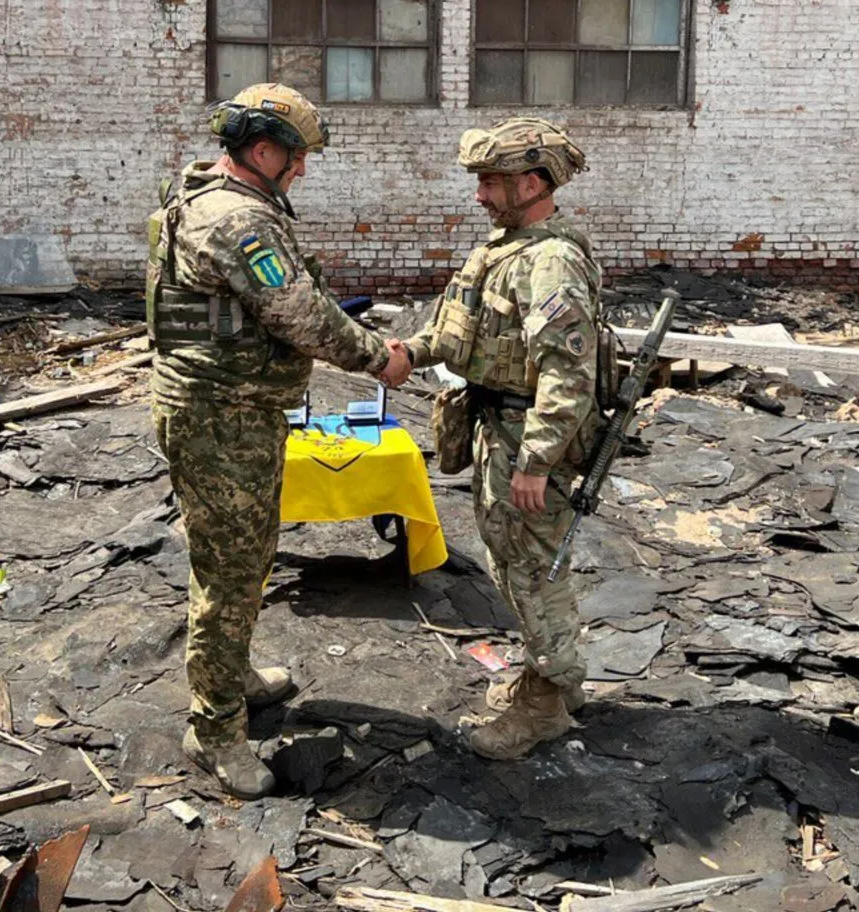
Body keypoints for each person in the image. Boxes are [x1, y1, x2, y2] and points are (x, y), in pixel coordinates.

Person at [146, 83, 412, 799]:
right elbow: (301, 315)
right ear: (262, 151)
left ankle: (228, 678)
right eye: (295, 158)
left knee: (247, 557)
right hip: (219, 420)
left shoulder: (202, 196)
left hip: (230, 412)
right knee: (230, 573)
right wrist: (378, 356)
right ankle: (214, 731)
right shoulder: (239, 222)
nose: (301, 171)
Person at [400, 117, 599, 760]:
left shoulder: (552, 261)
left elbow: (569, 373)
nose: (480, 194)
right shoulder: (502, 249)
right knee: (512, 563)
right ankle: (545, 679)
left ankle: (547, 702)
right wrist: (404, 351)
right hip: (498, 427)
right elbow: (456, 330)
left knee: (535, 570)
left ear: (533, 182)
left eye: (491, 181)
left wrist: (537, 461)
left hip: (529, 439)